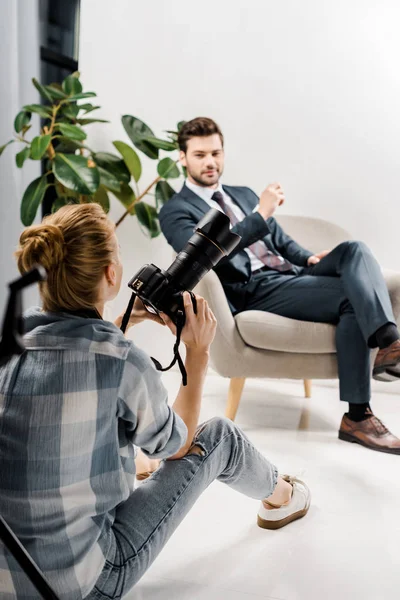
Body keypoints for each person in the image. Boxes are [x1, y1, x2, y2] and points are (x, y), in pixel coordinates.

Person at [0, 204, 310, 600]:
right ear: (112, 274)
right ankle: (283, 496)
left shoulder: (12, 342)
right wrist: (198, 355)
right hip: (86, 584)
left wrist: (126, 322)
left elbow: (70, 354)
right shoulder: (120, 361)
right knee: (218, 436)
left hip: (9, 577)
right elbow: (177, 445)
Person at [159, 117, 400, 456]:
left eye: (215, 152)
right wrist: (259, 214)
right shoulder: (175, 209)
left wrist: (308, 260)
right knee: (350, 299)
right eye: (199, 155)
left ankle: (388, 342)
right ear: (182, 157)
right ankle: (359, 414)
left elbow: (280, 240)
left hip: (291, 274)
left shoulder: (240, 194)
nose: (210, 162)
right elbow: (202, 257)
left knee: (355, 250)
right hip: (254, 288)